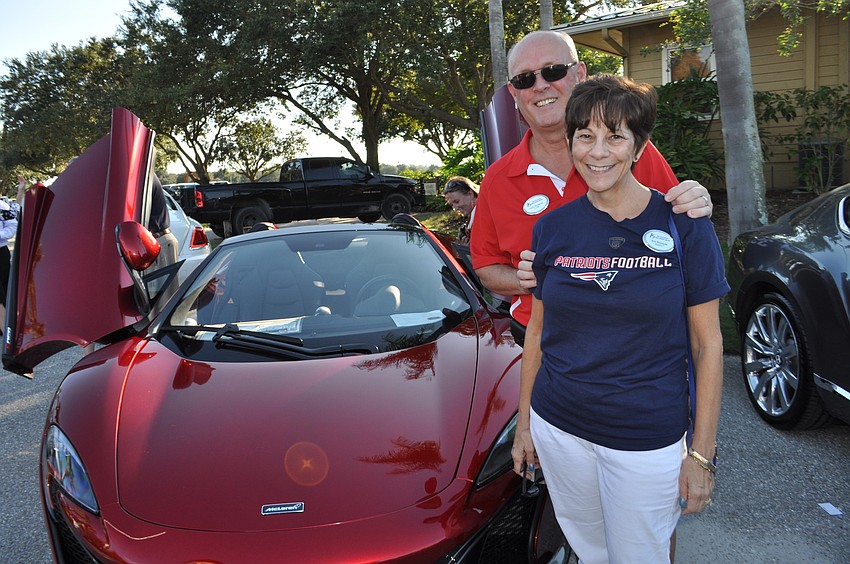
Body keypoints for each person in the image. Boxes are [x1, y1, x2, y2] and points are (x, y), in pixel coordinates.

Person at [513, 74, 727, 563]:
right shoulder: (551, 229)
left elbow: (708, 346)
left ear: (638, 146)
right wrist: (526, 424)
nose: (598, 151)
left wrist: (700, 454)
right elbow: (539, 335)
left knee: (641, 556)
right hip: (560, 428)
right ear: (569, 143)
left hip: (645, 437)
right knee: (590, 550)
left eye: (615, 136)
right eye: (585, 136)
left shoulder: (683, 226)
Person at [470, 30, 714, 346]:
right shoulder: (498, 179)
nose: (540, 85)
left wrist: (694, 199)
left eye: (553, 71)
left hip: (634, 343)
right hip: (540, 345)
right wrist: (526, 278)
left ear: (580, 74)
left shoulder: (628, 153)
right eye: (524, 79)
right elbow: (487, 267)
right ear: (514, 94)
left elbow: (678, 230)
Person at [442, 176, 479, 244]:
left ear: (470, 193)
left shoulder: (484, 217)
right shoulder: (473, 218)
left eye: (457, 201)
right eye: (452, 205)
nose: (455, 208)